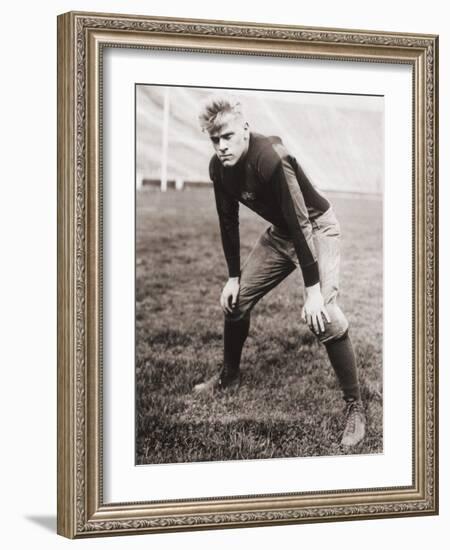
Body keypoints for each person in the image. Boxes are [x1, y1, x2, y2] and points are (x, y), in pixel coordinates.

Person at [194, 93, 366, 447]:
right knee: (236, 302)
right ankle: (229, 376)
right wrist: (232, 276)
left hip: (316, 227)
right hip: (282, 233)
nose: (221, 146)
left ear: (245, 128)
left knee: (325, 316)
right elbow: (228, 221)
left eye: (227, 136)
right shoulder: (219, 168)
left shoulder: (271, 157)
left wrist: (313, 290)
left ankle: (355, 406)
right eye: (215, 140)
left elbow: (303, 222)